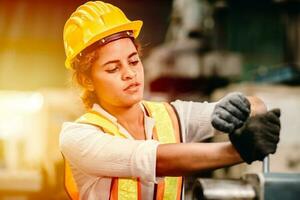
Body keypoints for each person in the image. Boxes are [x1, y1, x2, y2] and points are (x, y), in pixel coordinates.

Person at [60, 1, 281, 200]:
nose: (129, 73)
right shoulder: (78, 137)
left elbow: (258, 105)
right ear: (86, 80)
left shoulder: (172, 116)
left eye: (134, 61)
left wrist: (239, 106)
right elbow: (153, 159)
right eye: (113, 68)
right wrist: (237, 151)